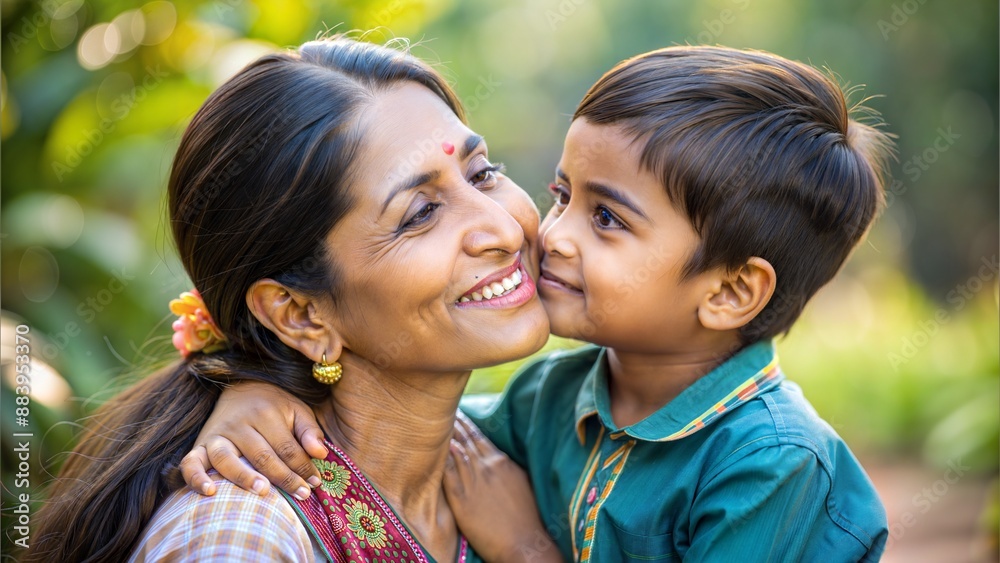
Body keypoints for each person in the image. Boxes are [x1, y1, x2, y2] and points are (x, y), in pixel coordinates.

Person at [182, 46, 894, 562]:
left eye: (607, 218)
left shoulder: (774, 465)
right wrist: (251, 386)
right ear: (299, 314)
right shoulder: (555, 399)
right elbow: (414, 430)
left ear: (732, 290)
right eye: (561, 197)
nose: (540, 235)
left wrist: (525, 548)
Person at [25, 36, 555, 563]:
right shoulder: (238, 538)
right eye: (420, 213)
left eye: (482, 174)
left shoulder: (525, 449)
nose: (505, 228)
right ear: (299, 314)